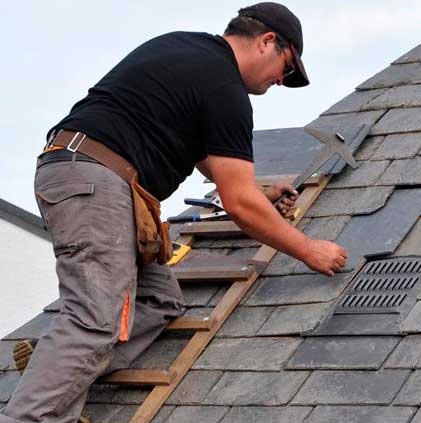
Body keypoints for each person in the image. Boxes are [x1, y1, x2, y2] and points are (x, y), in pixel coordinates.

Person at [0, 3, 348, 423]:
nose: (281, 81)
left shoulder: (184, 49)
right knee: (94, 320)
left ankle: (55, 366)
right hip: (97, 182)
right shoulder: (226, 89)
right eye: (286, 69)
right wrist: (309, 250)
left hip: (88, 176)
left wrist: (261, 193)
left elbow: (219, 170)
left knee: (160, 300)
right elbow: (238, 204)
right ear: (267, 41)